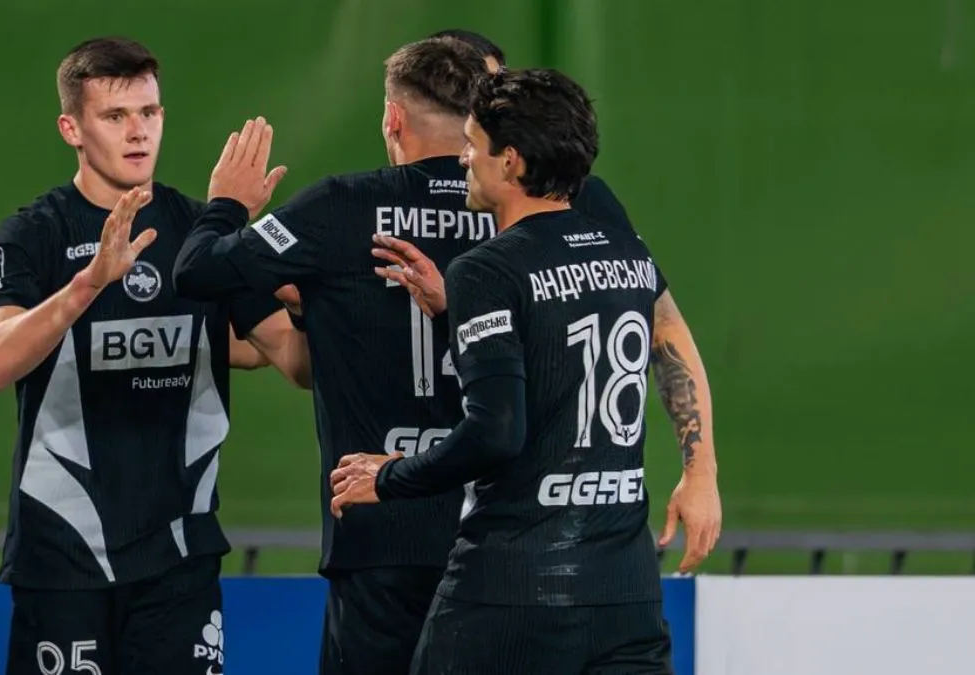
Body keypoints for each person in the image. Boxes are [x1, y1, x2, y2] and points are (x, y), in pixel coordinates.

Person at [330, 68, 721, 674]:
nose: (463, 158)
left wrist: (390, 476)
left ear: (509, 161)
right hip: (626, 592)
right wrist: (701, 472)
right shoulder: (629, 254)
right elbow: (628, 344)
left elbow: (496, 433)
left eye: (472, 144)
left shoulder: (486, 269)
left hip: (511, 591)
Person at [0, 37, 308, 675]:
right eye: (115, 115)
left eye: (149, 112)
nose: (137, 132)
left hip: (179, 557)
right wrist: (89, 284)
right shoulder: (34, 234)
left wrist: (307, 300)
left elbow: (292, 361)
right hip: (64, 555)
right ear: (72, 129)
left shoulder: (201, 233)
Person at [172, 38, 493, 675]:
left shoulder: (342, 206)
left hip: (378, 530)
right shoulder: (515, 210)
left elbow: (198, 270)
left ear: (393, 118)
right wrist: (307, 304)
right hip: (494, 533)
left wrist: (229, 205)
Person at [384, 29, 720, 571]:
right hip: (423, 504)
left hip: (518, 519)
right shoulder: (396, 200)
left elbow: (663, 326)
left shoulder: (579, 203)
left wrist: (700, 472)